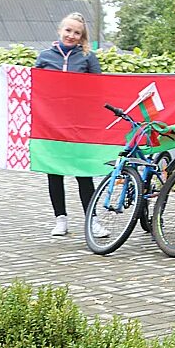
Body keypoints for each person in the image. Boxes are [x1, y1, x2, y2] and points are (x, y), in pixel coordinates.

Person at [34, 12, 103, 237]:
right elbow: (36, 88)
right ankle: (60, 219)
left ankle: (92, 221)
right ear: (60, 30)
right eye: (68, 31)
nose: (71, 35)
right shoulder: (45, 56)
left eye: (77, 33)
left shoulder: (88, 57)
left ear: (82, 36)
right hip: (51, 125)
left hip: (78, 125)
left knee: (84, 173)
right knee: (54, 173)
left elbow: (98, 89)